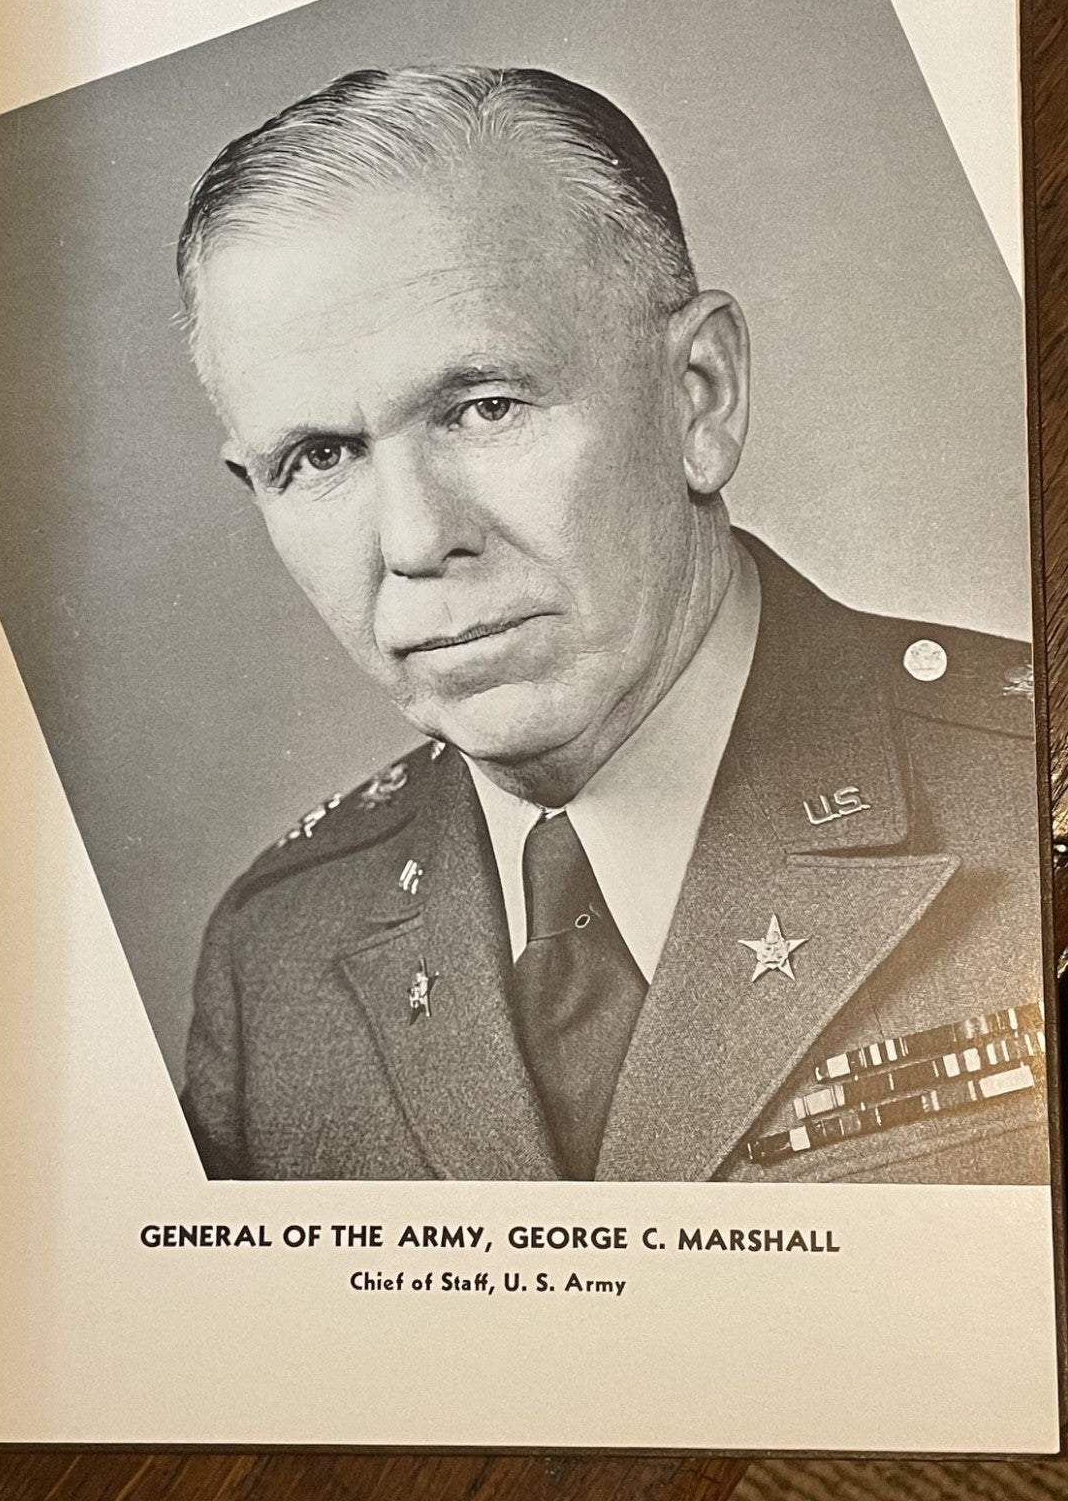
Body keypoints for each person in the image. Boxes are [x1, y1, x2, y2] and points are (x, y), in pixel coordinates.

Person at [174, 66, 1048, 1184]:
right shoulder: (273, 959)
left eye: (483, 407)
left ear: (698, 395)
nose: (414, 540)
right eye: (318, 457)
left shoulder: (1030, 793)